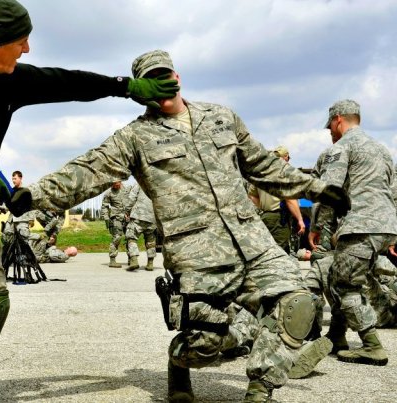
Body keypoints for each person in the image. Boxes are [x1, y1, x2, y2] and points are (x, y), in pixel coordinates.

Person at [18, 49, 350, 402]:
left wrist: (316, 189)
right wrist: (34, 194)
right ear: (140, 90)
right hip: (197, 256)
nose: (161, 84)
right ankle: (180, 361)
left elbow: (263, 165)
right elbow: (87, 171)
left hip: (253, 242)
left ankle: (260, 389)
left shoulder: (221, 117)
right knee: (204, 344)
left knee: (298, 303)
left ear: (177, 78)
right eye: (151, 79)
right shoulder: (135, 137)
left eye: (165, 75)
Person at [0, 1, 180, 400]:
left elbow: (66, 82)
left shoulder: (9, 80)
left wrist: (125, 87)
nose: (27, 49)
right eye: (22, 41)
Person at [309, 99, 397, 367]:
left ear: (338, 120)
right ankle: (337, 335)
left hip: (360, 224)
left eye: (330, 127)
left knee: (344, 286)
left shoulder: (342, 147)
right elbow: (393, 191)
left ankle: (372, 346)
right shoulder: (381, 150)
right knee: (339, 275)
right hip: (385, 226)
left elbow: (330, 190)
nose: (330, 132)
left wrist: (317, 227)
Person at [248, 146, 306, 254]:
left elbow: (252, 195)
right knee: (280, 252)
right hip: (279, 219)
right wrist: (300, 220)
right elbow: (290, 200)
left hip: (265, 217)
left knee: (268, 251)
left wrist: (264, 207)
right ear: (285, 157)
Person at [101, 181, 137, 268]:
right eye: (113, 184)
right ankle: (112, 260)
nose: (116, 185)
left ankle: (131, 259)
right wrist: (106, 219)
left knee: (130, 237)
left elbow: (134, 199)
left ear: (120, 182)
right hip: (116, 217)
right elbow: (104, 206)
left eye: (117, 184)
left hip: (128, 217)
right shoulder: (108, 193)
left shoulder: (128, 188)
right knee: (117, 237)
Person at [126, 183, 157, 271]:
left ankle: (134, 261)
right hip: (152, 218)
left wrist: (127, 211)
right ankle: (150, 264)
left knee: (131, 237)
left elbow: (131, 198)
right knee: (151, 241)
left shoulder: (139, 183)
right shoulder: (158, 184)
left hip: (139, 215)